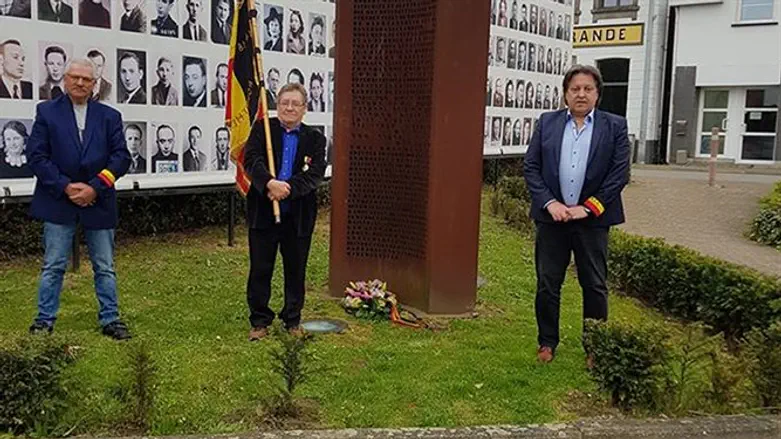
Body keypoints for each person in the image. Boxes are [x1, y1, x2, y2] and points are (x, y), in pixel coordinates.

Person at [523, 65, 630, 366]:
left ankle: (595, 347)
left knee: (594, 284)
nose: (581, 94)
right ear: (566, 93)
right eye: (575, 89)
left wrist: (589, 207)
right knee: (547, 283)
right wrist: (550, 204)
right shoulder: (548, 123)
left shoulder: (615, 126)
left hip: (592, 222)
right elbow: (531, 167)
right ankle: (546, 343)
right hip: (552, 220)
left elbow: (618, 174)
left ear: (597, 94)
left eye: (587, 89)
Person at [26, 58, 132, 339]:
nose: (80, 83)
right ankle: (44, 320)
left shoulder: (110, 116)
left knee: (105, 267)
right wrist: (65, 187)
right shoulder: (47, 112)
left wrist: (95, 187)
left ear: (95, 84)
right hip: (59, 200)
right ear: (65, 79)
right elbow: (37, 156)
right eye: (75, 77)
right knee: (53, 265)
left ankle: (111, 319)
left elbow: (121, 157)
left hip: (99, 200)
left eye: (86, 79)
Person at [243, 83, 326, 340]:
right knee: (260, 268)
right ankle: (259, 321)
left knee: (295, 269)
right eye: (284, 103)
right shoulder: (262, 130)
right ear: (277, 106)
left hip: (297, 216)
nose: (289, 108)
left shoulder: (315, 139)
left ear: (304, 109)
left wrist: (286, 188)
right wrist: (269, 183)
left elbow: (315, 174)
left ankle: (292, 319)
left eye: (295, 104)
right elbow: (251, 161)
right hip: (263, 214)